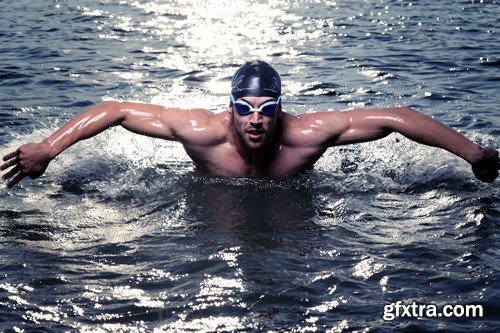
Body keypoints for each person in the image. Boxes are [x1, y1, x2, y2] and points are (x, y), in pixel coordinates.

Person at [1, 60, 499, 188]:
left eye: (266, 108)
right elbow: (117, 110)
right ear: (231, 106)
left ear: (280, 109)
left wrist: (472, 154)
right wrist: (49, 147)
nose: (256, 119)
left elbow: (399, 118)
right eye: (245, 107)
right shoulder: (204, 131)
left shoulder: (305, 133)